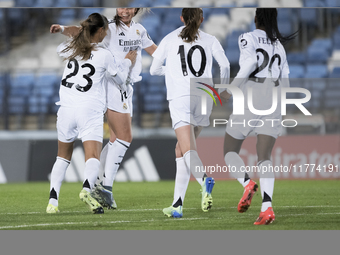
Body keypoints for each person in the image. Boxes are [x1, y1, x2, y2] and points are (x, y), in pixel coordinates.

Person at [50, 8, 157, 209]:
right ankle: (104, 187)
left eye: (128, 6)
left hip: (122, 86)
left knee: (116, 139)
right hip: (112, 84)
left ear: (136, 9)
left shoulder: (139, 30)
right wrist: (64, 29)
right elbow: (82, 30)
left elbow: (155, 51)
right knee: (124, 137)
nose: (124, 10)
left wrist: (176, 64)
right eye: (120, 6)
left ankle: (95, 185)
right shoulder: (107, 26)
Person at [150, 8, 230, 218]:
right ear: (202, 19)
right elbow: (225, 64)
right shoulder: (210, 39)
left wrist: (172, 70)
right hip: (206, 96)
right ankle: (177, 205)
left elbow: (153, 69)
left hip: (181, 97)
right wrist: (222, 90)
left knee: (187, 150)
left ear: (181, 19)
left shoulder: (169, 38)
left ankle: (204, 180)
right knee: (182, 150)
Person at [220, 8, 296, 225]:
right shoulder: (279, 46)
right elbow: (287, 82)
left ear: (255, 19)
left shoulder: (247, 38)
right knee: (264, 157)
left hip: (252, 95)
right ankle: (267, 208)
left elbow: (250, 63)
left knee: (230, 150)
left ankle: (247, 184)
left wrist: (230, 90)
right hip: (273, 99)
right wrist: (282, 110)